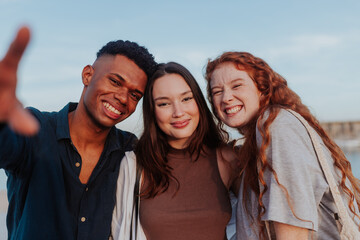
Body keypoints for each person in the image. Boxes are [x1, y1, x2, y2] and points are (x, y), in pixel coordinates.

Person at [0, 26, 157, 239]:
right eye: (115, 81)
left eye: (134, 95)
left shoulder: (129, 150)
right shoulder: (35, 129)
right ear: (87, 75)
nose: (122, 98)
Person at [205, 51, 360, 239]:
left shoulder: (277, 126)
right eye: (217, 91)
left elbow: (293, 228)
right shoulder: (259, 143)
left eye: (237, 85)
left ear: (262, 88)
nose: (226, 97)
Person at [111, 62, 239, 240]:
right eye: (164, 103)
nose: (178, 112)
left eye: (186, 99)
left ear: (199, 102)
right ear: (152, 111)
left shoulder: (228, 159)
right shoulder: (133, 165)